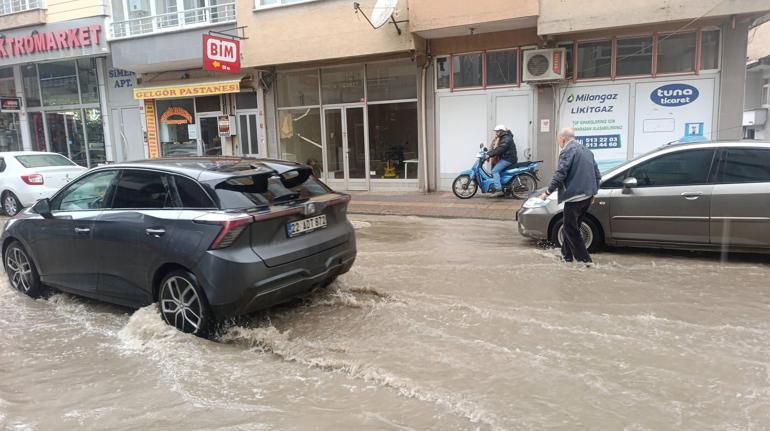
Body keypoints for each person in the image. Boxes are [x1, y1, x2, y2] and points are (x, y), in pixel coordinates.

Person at [539, 128, 601, 264]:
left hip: (575, 197)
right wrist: (594, 192)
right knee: (572, 227)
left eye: (558, 140)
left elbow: (561, 173)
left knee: (570, 229)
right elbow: (597, 174)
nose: (559, 143)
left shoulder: (567, 151)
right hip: (586, 197)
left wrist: (547, 192)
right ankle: (566, 256)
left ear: (563, 139)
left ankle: (585, 261)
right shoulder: (587, 151)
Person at [485, 125, 517, 197]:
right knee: (498, 172)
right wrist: (488, 153)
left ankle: (498, 190)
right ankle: (504, 190)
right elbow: (494, 147)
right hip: (506, 158)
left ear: (501, 131)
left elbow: (500, 149)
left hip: (508, 159)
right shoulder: (503, 137)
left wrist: (489, 155)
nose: (496, 133)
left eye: (497, 131)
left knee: (495, 171)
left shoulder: (506, 138)